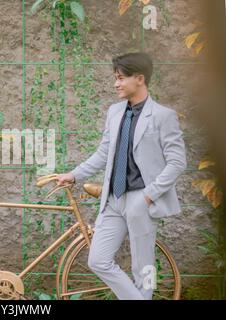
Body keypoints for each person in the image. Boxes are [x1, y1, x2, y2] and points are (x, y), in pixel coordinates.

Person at [57, 52, 187, 300]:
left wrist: (149, 195)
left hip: (142, 199)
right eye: (115, 78)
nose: (116, 83)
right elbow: (104, 152)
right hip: (113, 199)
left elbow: (177, 162)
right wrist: (74, 175)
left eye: (120, 78)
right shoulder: (115, 112)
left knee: (143, 268)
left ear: (139, 78)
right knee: (98, 260)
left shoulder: (163, 116)